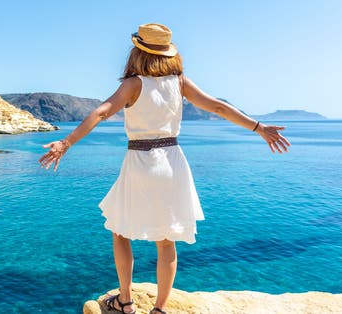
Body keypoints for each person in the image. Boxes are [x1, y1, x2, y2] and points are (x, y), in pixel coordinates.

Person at [38, 23, 291, 314]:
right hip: (172, 161)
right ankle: (159, 309)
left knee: (120, 231)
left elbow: (102, 111)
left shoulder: (134, 84)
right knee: (166, 242)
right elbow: (219, 108)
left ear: (137, 51)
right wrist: (259, 127)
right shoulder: (180, 82)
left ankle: (126, 302)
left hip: (139, 162)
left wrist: (66, 142)